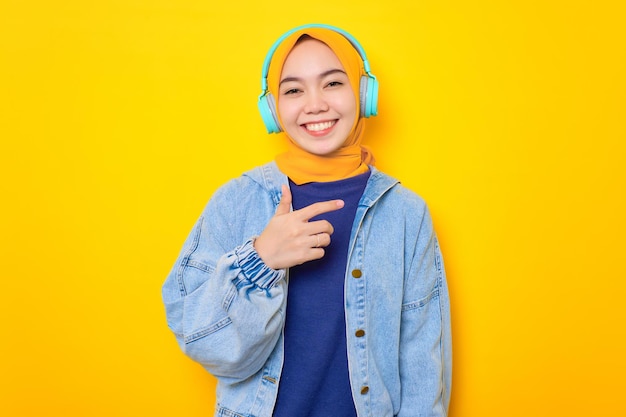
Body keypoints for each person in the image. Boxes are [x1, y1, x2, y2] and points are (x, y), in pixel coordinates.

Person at [162, 23, 452, 417]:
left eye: (333, 83)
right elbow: (206, 344)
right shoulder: (236, 201)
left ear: (363, 92)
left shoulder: (404, 212)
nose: (315, 104)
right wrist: (260, 259)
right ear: (273, 108)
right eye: (294, 90)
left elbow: (422, 360)